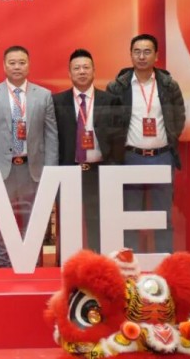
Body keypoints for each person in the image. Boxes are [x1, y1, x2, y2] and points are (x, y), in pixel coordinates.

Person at [0, 46, 58, 268]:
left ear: (29, 65)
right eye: (12, 63)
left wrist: (51, 172)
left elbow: (51, 136)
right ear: (4, 66)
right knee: (2, 221)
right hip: (2, 170)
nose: (17, 67)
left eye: (22, 62)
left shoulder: (43, 96)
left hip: (33, 169)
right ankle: (2, 266)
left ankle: (34, 264)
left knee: (34, 220)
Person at [107, 34, 185, 253]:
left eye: (147, 52)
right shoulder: (118, 87)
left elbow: (179, 118)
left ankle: (164, 262)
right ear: (131, 55)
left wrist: (167, 141)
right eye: (137, 52)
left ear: (156, 56)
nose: (142, 56)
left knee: (163, 216)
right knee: (130, 216)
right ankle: (130, 264)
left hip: (162, 156)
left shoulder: (169, 85)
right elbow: (110, 122)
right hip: (130, 157)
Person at [52, 49, 122, 253]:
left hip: (98, 171)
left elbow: (118, 138)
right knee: (67, 222)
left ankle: (97, 261)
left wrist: (113, 168)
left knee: (97, 221)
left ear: (94, 71)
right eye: (77, 68)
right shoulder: (57, 102)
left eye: (86, 67)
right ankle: (67, 263)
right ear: (69, 73)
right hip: (69, 171)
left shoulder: (110, 101)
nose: (81, 71)